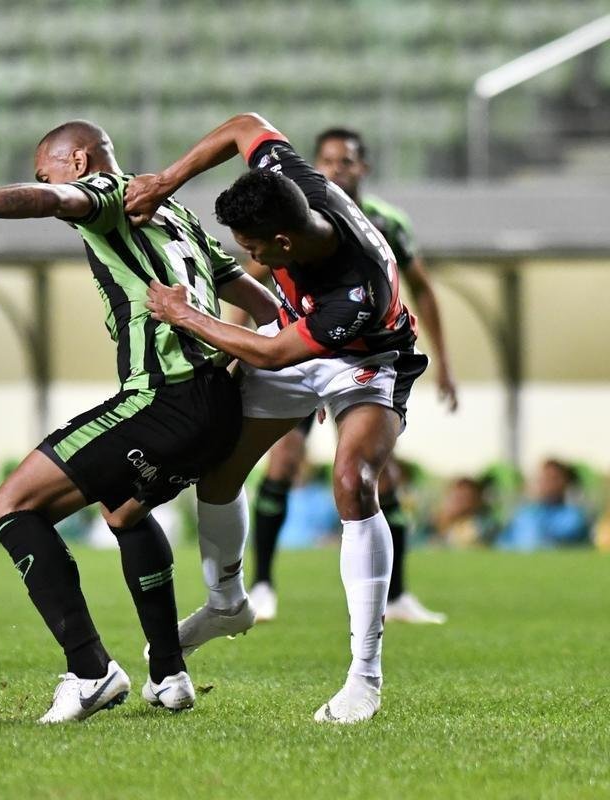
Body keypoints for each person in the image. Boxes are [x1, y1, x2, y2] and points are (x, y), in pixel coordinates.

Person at [0, 120, 279, 723]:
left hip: (164, 397)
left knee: (11, 505)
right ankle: (170, 674)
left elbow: (47, 201)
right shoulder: (181, 216)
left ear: (79, 162)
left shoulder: (110, 193)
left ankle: (91, 671)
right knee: (124, 511)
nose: (46, 184)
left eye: (47, 172)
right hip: (216, 401)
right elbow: (266, 306)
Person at [126, 112, 429, 724]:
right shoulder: (295, 184)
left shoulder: (357, 288)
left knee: (353, 481)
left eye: (254, 248)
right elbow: (245, 126)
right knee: (216, 473)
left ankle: (364, 678)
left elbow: (269, 354)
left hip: (367, 360)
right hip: (297, 337)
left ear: (284, 243)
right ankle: (227, 604)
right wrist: (166, 181)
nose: (250, 256)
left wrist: (184, 315)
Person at [246, 127, 453, 626]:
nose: (337, 169)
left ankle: (397, 594)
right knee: (283, 461)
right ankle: (262, 585)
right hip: (301, 351)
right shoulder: (293, 217)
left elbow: (422, 289)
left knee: (377, 474)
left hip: (362, 357)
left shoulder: (386, 224)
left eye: (347, 161)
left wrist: (445, 362)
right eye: (329, 160)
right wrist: (243, 341)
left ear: (364, 168)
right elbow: (251, 278)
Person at [498, 459, 591, 550]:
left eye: (553, 479)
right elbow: (502, 543)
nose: (546, 483)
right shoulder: (523, 514)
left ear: (565, 483)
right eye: (542, 478)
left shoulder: (573, 516)